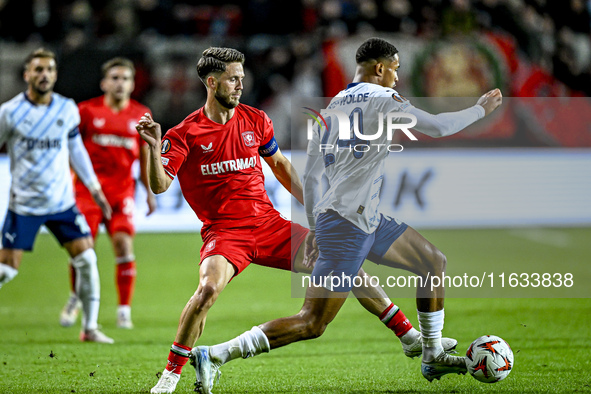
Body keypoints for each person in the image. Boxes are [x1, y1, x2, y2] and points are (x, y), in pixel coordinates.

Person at [136, 47, 457, 394]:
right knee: (208, 290)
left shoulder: (256, 120)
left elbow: (283, 169)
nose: (240, 84)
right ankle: (171, 375)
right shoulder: (184, 133)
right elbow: (159, 184)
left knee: (346, 267)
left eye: (242, 77)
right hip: (226, 234)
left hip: (270, 225)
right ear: (212, 83)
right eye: (233, 79)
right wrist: (153, 149)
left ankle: (409, 336)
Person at [0, 48, 114, 344]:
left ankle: (89, 328)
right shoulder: (10, 113)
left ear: (55, 74)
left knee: (87, 259)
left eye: (49, 69)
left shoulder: (66, 108)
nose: (44, 75)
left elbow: (77, 150)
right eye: (38, 70)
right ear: (27, 75)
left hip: (62, 204)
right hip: (23, 205)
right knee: (6, 271)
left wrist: (95, 190)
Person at [59, 57, 156, 330]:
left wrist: (149, 193)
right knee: (82, 250)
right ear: (104, 83)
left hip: (121, 192)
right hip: (87, 193)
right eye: (114, 77)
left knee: (124, 246)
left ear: (133, 84)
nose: (119, 83)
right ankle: (75, 297)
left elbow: (145, 157)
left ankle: (123, 310)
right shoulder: (86, 111)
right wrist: (66, 181)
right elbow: (69, 148)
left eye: (125, 78)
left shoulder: (141, 115)